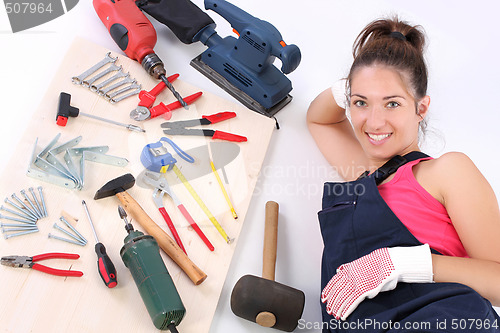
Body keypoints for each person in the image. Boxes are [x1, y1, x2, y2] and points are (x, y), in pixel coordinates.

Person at [306, 17, 500, 332]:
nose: (375, 121)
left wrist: (402, 264)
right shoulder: (360, 179)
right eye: (361, 103)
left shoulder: (444, 171)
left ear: (420, 109)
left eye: (393, 103)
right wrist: (359, 82)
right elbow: (318, 118)